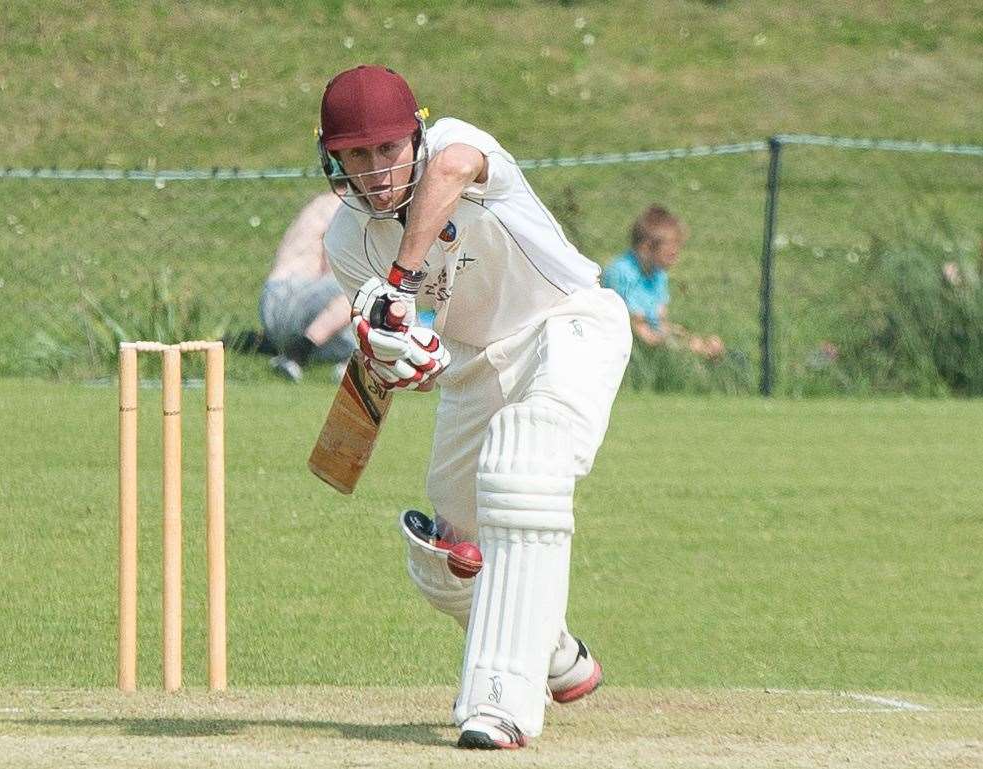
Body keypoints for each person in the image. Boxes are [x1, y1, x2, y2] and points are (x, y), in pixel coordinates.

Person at [317, 65, 632, 749]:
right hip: (473, 371)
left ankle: (500, 704)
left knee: (529, 462)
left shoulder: (455, 146)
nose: (374, 170)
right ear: (332, 156)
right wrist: (403, 356)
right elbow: (411, 364)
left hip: (566, 326)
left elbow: (455, 169)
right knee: (445, 560)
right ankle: (554, 653)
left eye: (387, 150)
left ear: (415, 136)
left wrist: (397, 282)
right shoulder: (345, 243)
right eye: (356, 155)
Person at [602, 205, 725, 360]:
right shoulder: (621, 274)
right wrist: (690, 349)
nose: (676, 252)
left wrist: (694, 340)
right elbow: (640, 331)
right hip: (617, 339)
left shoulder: (657, 271)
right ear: (646, 248)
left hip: (646, 331)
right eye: (670, 247)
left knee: (701, 342)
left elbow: (660, 321)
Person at [259, 191, 355, 382]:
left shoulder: (321, 203)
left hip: (270, 308)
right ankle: (298, 354)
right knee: (364, 287)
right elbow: (336, 268)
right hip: (295, 295)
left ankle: (353, 365)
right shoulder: (345, 204)